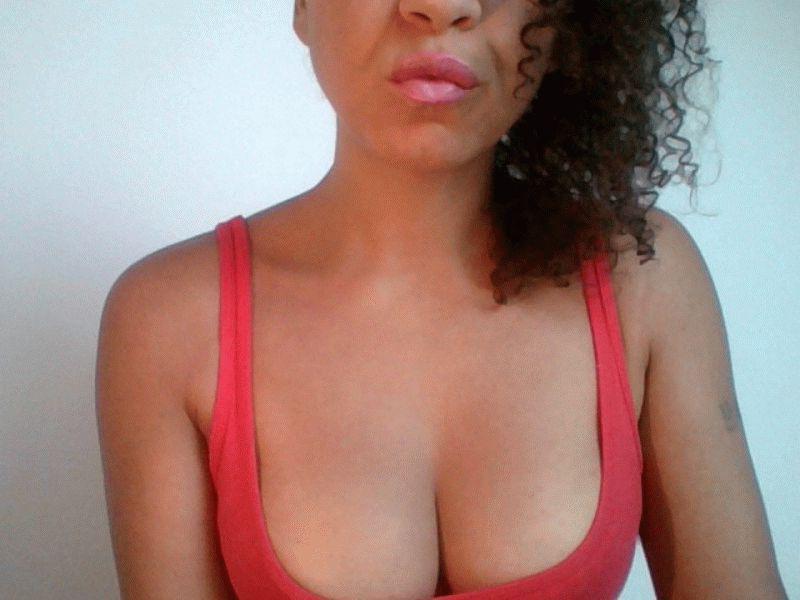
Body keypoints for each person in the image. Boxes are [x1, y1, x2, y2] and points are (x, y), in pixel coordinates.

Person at [94, 1, 788, 599]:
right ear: (303, 5)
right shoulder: (168, 320)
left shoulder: (642, 274)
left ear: (566, 21)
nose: (445, 3)